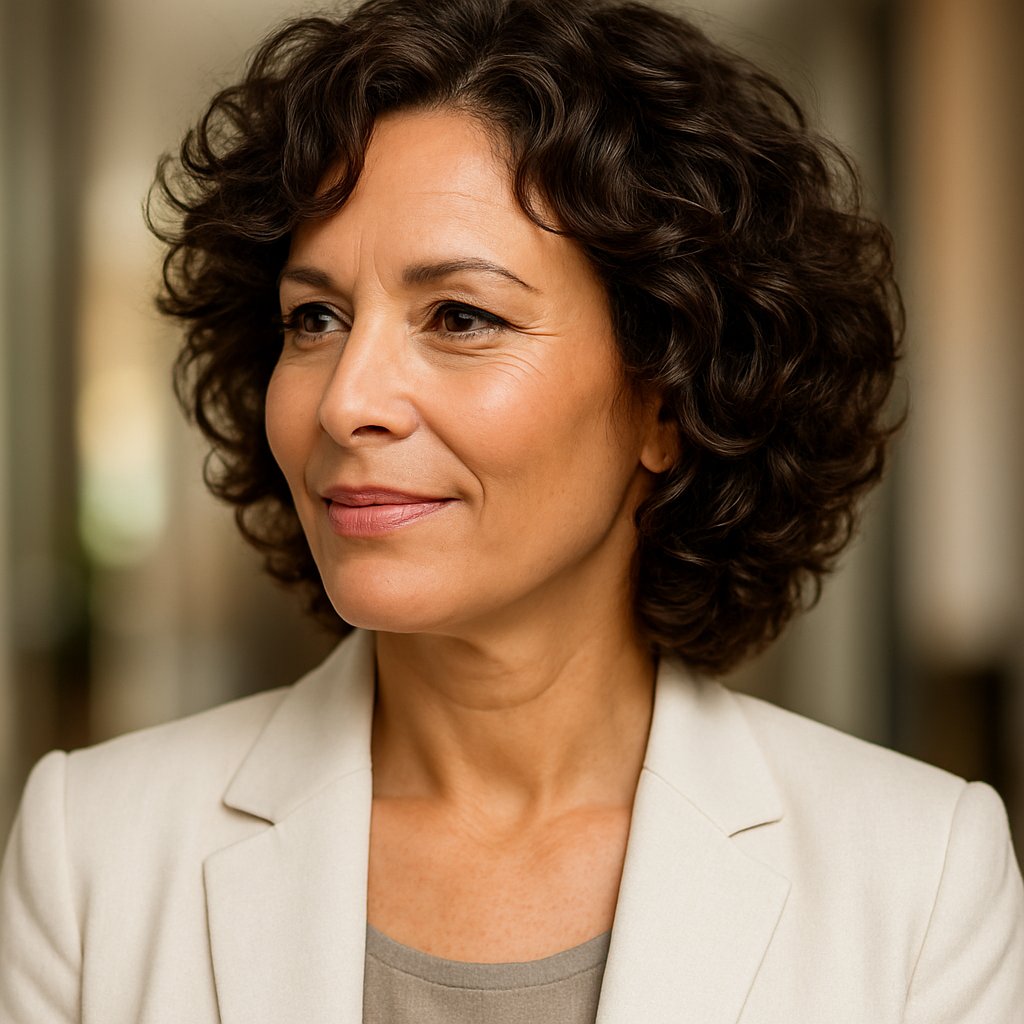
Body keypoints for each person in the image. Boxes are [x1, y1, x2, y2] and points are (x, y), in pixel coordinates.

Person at [2, 0, 1022, 1019]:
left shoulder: (920, 877)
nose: (348, 400)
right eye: (313, 318)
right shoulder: (91, 848)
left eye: (459, 316)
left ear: (666, 399)